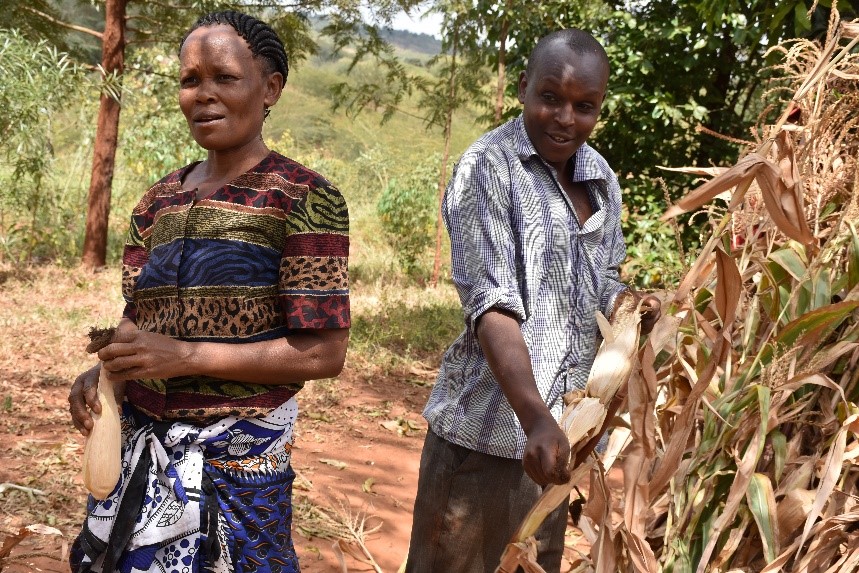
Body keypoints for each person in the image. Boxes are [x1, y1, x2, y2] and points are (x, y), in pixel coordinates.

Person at [67, 10, 349, 573]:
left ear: (270, 88)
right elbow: (138, 324)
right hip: (140, 451)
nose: (204, 95)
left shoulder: (303, 197)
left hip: (237, 470)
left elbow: (323, 352)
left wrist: (187, 357)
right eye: (190, 80)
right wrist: (107, 374)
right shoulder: (156, 202)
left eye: (225, 77)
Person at [405, 28, 660, 572]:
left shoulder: (601, 179)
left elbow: (601, 282)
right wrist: (535, 419)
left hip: (558, 445)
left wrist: (633, 307)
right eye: (551, 98)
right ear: (524, 88)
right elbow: (491, 305)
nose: (566, 118)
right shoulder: (488, 170)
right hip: (490, 442)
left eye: (584, 106)